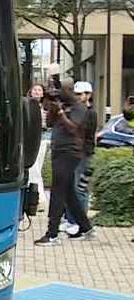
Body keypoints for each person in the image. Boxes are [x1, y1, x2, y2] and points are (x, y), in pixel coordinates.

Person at [35, 79, 95, 246]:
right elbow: (49, 124)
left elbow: (73, 128)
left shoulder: (80, 108)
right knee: (68, 193)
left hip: (70, 153)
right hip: (58, 151)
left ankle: (52, 234)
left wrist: (61, 113)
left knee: (58, 192)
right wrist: (54, 110)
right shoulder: (62, 106)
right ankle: (86, 227)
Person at [62, 81, 97, 234]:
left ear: (88, 95)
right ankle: (70, 220)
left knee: (79, 189)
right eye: (75, 94)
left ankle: (80, 223)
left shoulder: (90, 113)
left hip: (83, 154)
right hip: (72, 154)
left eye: (80, 94)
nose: (77, 97)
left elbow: (82, 132)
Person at [26, 83, 49, 207]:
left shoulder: (45, 108)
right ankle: (37, 195)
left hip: (41, 139)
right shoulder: (26, 105)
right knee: (32, 168)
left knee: (36, 168)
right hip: (29, 139)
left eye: (39, 90)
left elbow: (47, 124)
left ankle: (39, 196)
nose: (36, 92)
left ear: (43, 93)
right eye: (34, 89)